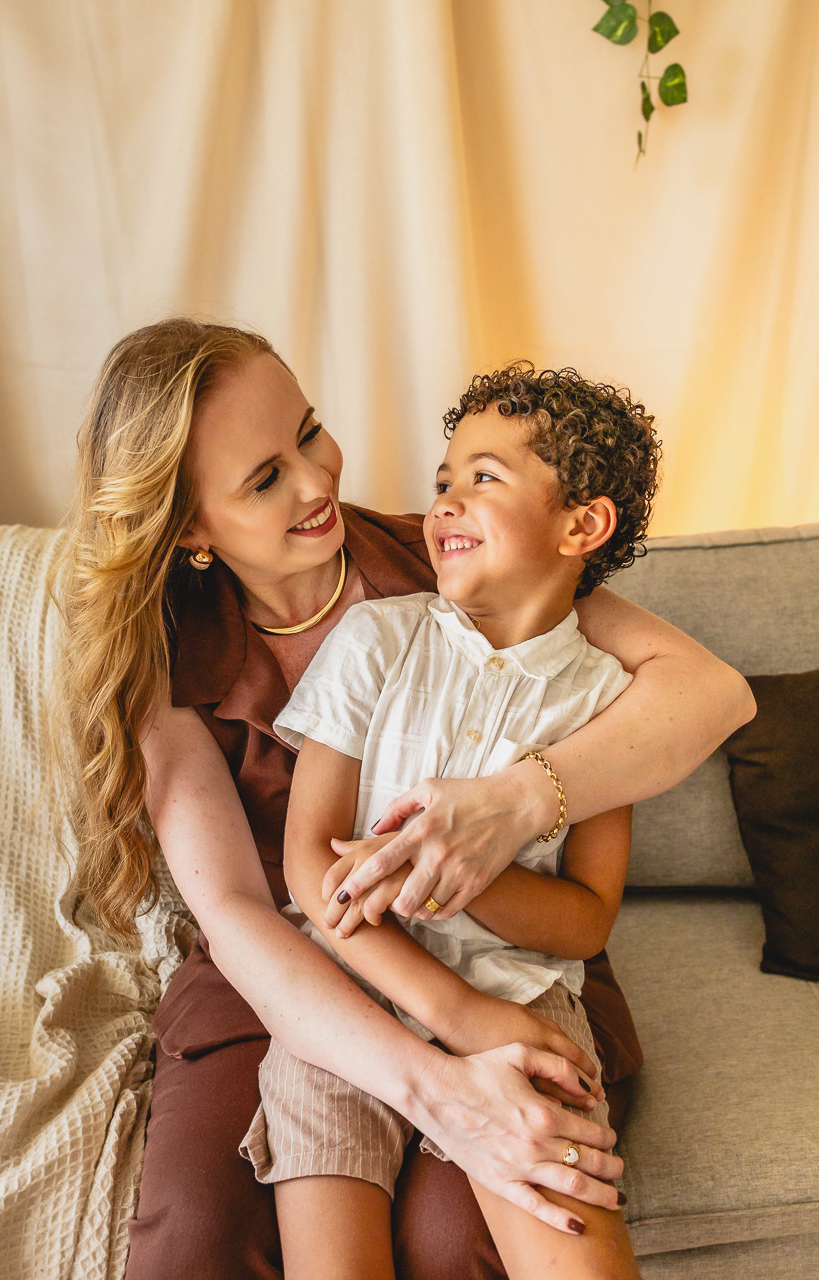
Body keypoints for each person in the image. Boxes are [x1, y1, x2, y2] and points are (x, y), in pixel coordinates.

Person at [57, 319, 755, 1280]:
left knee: (451, 1233)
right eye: (263, 478)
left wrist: (516, 801)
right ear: (188, 528)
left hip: (499, 963)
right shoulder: (166, 659)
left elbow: (709, 693)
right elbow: (240, 911)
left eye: (308, 432)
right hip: (287, 964)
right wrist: (438, 1073)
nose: (316, 483)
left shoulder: (456, 562)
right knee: (196, 1237)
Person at [244, 363, 654, 1278]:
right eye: (442, 481)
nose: (445, 502)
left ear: (581, 525)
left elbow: (586, 918)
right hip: (343, 995)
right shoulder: (374, 640)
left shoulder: (607, 702)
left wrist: (468, 875)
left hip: (522, 1001)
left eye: (484, 478)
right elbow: (310, 857)